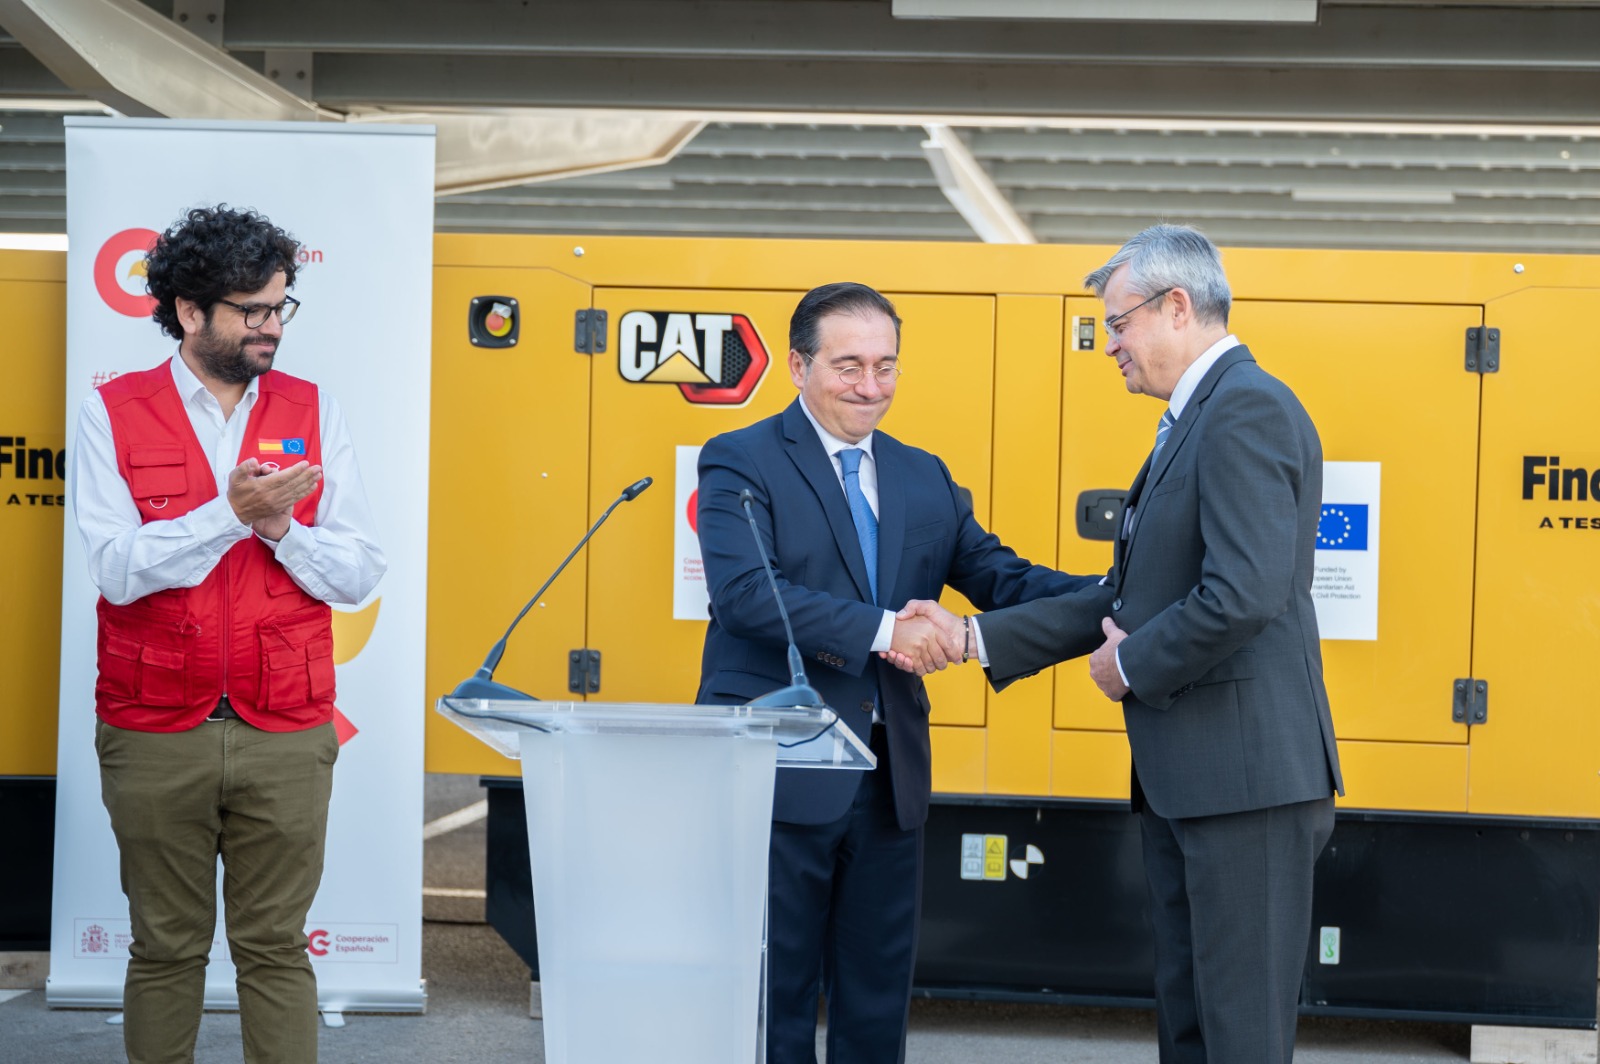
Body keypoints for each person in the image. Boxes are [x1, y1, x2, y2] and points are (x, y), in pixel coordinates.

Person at [899, 224, 1344, 1064]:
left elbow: (1244, 593)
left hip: (1244, 787)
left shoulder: (1245, 408)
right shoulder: (1195, 419)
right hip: (1200, 784)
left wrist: (1129, 662)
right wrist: (969, 636)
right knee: (1193, 1025)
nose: (1109, 344)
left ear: (1178, 307)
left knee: (1238, 1035)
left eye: (1118, 322)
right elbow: (1126, 598)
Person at [694, 281, 1096, 1063]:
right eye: (848, 366)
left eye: (886, 367)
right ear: (797, 365)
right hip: (779, 767)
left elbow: (999, 576)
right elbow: (748, 597)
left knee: (877, 991)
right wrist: (889, 631)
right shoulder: (740, 460)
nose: (870, 387)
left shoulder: (922, 475)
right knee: (771, 990)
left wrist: (1117, 597)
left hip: (888, 775)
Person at [72, 204, 386, 1064]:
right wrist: (231, 515)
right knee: (166, 949)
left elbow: (360, 573)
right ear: (186, 311)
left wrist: (282, 531)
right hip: (150, 728)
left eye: (281, 306)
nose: (271, 327)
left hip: (285, 727)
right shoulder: (112, 412)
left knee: (276, 949)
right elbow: (115, 567)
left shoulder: (314, 412)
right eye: (252, 310)